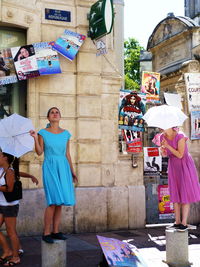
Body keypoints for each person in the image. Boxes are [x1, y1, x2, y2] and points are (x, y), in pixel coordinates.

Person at [30, 107, 78, 243]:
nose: (55, 114)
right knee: (52, 201)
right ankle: (46, 233)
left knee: (59, 202)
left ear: (60, 116)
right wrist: (34, 138)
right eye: (52, 112)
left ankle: (56, 231)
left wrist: (72, 171)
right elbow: (39, 152)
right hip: (50, 167)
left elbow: (67, 154)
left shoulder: (66, 134)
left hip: (63, 167)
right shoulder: (42, 133)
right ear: (48, 118)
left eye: (57, 112)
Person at [0, 152, 38, 266]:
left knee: (11, 232)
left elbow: (10, 189)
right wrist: (30, 175)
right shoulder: (2, 170)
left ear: (5, 158)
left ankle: (16, 257)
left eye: (0, 155)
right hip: (1, 204)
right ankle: (7, 251)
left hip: (10, 206)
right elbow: (19, 173)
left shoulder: (9, 172)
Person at [160, 127, 200, 231]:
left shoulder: (180, 135)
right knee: (175, 193)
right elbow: (166, 155)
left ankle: (184, 223)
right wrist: (163, 151)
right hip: (173, 166)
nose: (161, 128)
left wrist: (168, 145)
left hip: (184, 165)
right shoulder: (162, 137)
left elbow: (180, 154)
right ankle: (177, 222)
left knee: (185, 193)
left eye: (163, 126)